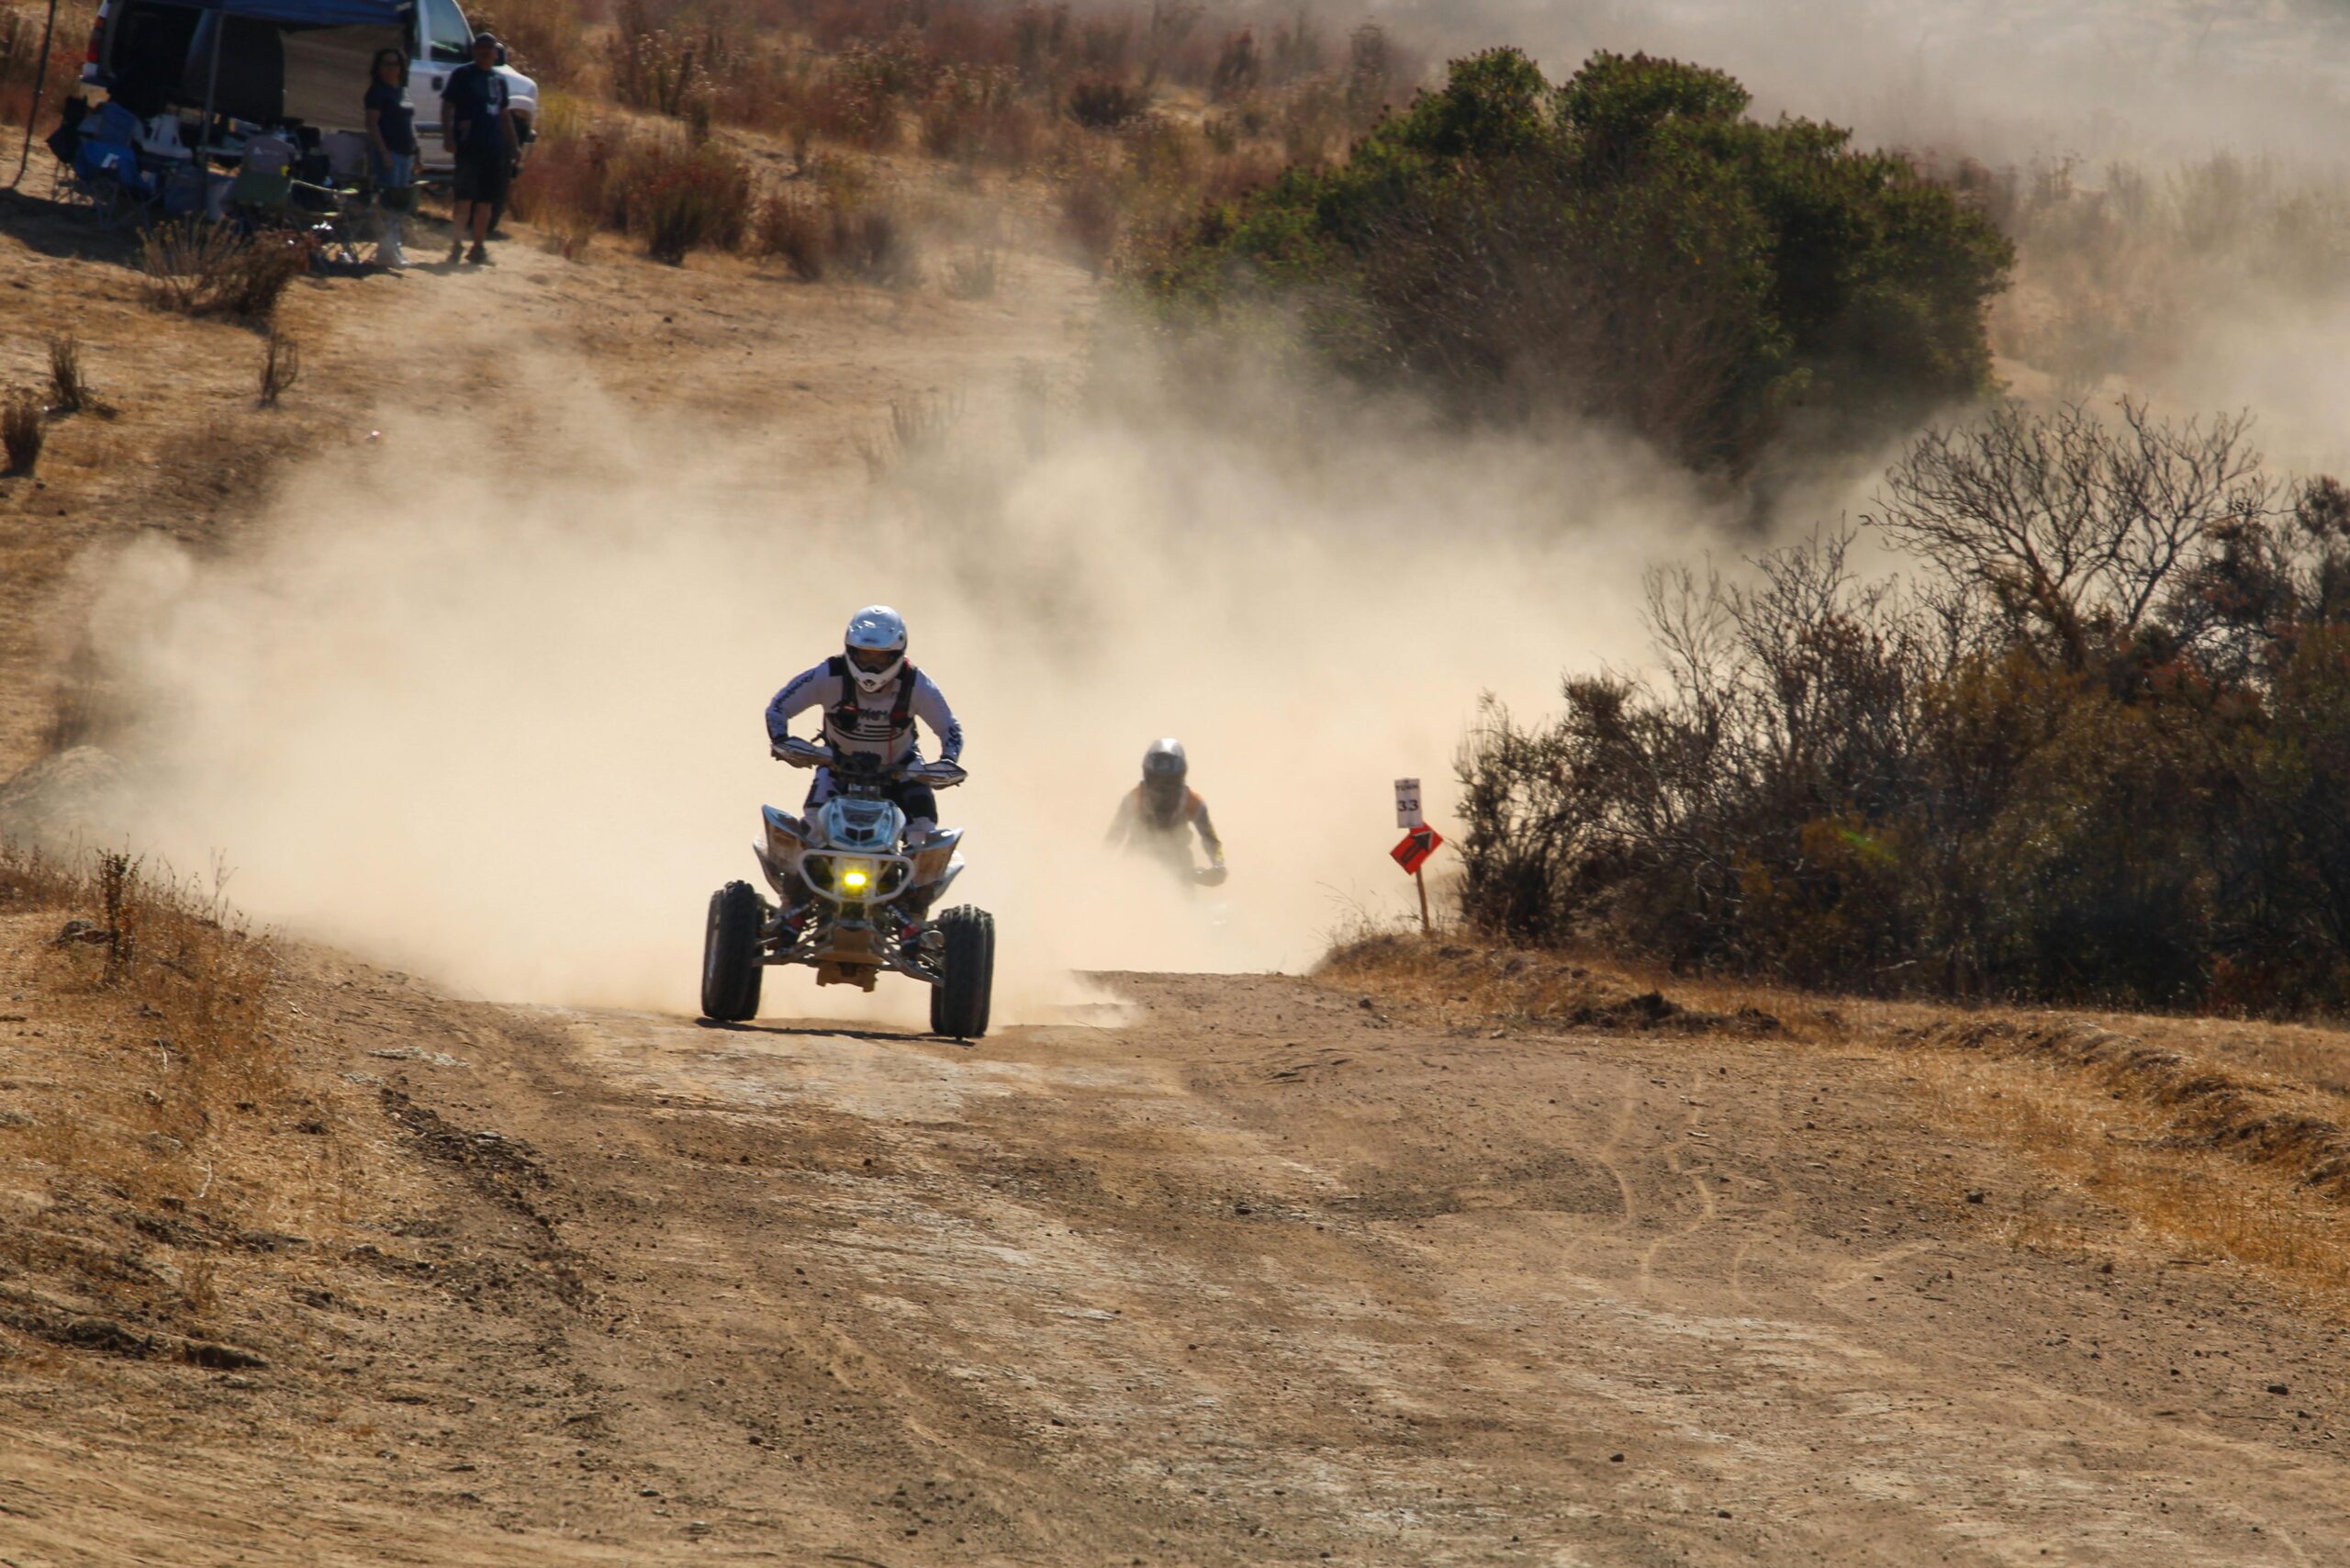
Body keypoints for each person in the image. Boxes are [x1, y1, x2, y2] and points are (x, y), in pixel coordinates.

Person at [765, 606, 965, 846]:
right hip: (835, 769)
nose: (871, 665)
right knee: (812, 829)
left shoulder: (917, 684)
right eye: (864, 655)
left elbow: (950, 728)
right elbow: (778, 708)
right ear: (850, 650)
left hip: (903, 773)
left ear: (897, 655)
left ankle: (918, 870)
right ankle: (796, 867)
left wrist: (948, 760)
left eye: (880, 657)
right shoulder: (827, 674)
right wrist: (782, 740)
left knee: (924, 837)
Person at [439, 31, 518, 265]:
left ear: (496, 54)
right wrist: (448, 135)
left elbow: (504, 113)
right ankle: (456, 244)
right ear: (474, 52)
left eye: (489, 50)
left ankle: (478, 246)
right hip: (469, 145)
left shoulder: (499, 80)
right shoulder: (463, 75)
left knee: (486, 201)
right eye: (481, 49)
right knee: (464, 198)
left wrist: (513, 144)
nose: (485, 53)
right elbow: (447, 106)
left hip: (493, 147)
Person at [1107, 738, 1226, 884]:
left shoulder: (1193, 803)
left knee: (1185, 893)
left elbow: (1210, 839)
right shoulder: (1134, 799)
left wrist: (1219, 867)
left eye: (1169, 782)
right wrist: (1104, 870)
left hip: (1178, 868)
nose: (1161, 788)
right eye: (1156, 780)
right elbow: (1114, 836)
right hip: (1135, 864)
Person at [363, 48, 416, 268]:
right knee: (388, 204)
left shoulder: (402, 91)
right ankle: (386, 250)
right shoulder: (377, 92)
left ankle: (394, 248)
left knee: (399, 205)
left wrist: (417, 152)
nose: (391, 68)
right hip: (389, 153)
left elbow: (409, 124)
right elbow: (372, 124)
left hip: (405, 153)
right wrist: (383, 152)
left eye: (395, 64)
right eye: (386, 63)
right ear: (378, 67)